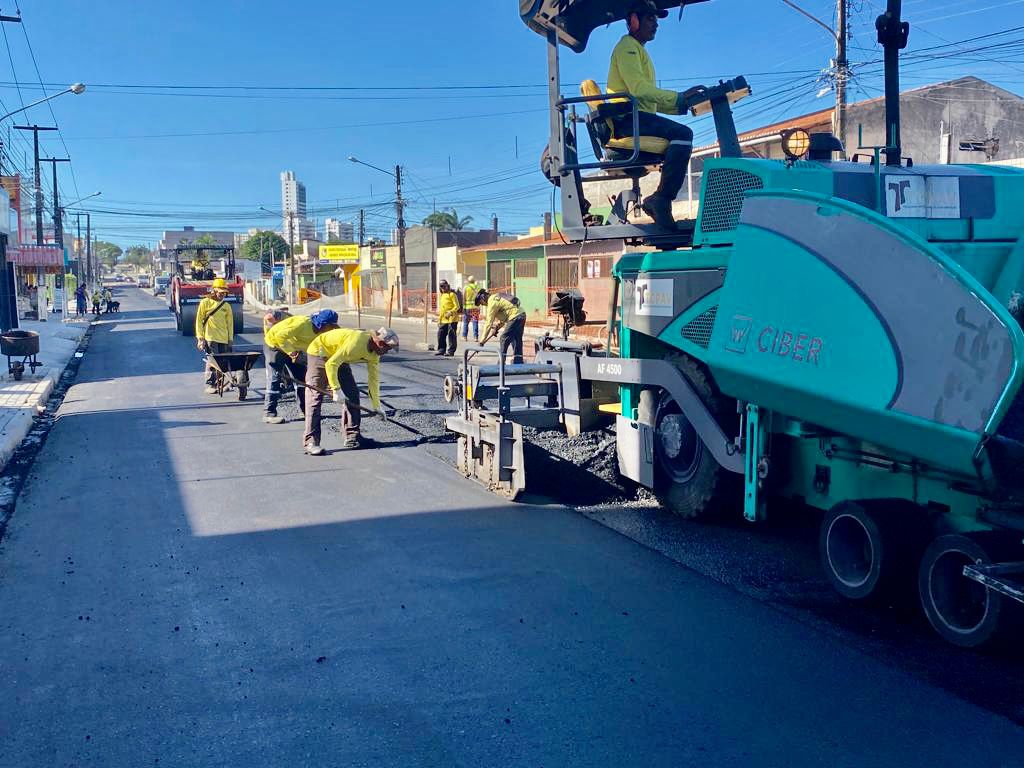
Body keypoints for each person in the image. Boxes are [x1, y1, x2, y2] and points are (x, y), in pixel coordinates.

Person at [607, 0, 698, 230]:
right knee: (683, 135)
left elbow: (648, 99)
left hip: (638, 118)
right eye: (650, 18)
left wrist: (682, 104)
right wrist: (677, 98)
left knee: (680, 133)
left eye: (656, 20)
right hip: (627, 121)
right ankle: (662, 199)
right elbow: (639, 89)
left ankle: (661, 199)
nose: (656, 24)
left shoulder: (638, 50)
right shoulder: (627, 47)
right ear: (634, 21)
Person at [303, 327, 399, 455]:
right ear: (379, 343)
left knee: (352, 394)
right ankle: (311, 441)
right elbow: (331, 364)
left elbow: (373, 380)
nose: (387, 351)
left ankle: (352, 437)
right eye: (387, 348)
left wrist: (377, 406)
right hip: (320, 351)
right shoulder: (356, 343)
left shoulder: (375, 354)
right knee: (315, 396)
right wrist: (336, 389)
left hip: (339, 355)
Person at [262, 309, 338, 425]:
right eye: (331, 327)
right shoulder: (302, 324)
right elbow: (279, 337)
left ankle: (305, 411)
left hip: (292, 348)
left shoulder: (323, 331)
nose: (332, 330)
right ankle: (269, 413)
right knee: (275, 377)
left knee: (301, 378)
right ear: (323, 324)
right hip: (274, 345)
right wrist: (291, 352)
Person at [195, 278, 234, 394]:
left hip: (224, 338)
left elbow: (230, 324)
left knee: (224, 363)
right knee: (212, 362)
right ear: (214, 291)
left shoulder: (226, 306)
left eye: (224, 293)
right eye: (220, 293)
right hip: (210, 338)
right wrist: (200, 338)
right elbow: (199, 321)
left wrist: (230, 339)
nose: (222, 295)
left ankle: (223, 383)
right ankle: (210, 384)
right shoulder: (205, 302)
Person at [477, 288, 527, 365]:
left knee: (504, 338)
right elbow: (504, 316)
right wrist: (497, 328)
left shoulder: (492, 302)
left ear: (483, 298)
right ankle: (518, 362)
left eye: (481, 303)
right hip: (521, 315)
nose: (483, 305)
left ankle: (501, 363)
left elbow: (488, 323)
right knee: (516, 339)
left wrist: (482, 341)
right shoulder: (496, 297)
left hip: (515, 317)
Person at [434, 279, 461, 357]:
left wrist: (451, 312)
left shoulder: (452, 295)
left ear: (447, 286)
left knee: (451, 335)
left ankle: (451, 351)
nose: (443, 288)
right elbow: (442, 309)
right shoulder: (442, 295)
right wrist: (439, 320)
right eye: (441, 286)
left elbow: (457, 306)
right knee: (440, 334)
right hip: (443, 320)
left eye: (444, 286)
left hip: (452, 319)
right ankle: (441, 349)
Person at [461, 276, 480, 342]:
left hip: (468, 308)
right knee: (475, 321)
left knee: (466, 322)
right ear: (474, 281)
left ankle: (464, 336)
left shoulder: (466, 288)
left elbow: (463, 298)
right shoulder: (478, 287)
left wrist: (463, 307)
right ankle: (476, 337)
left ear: (468, 281)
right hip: (476, 308)